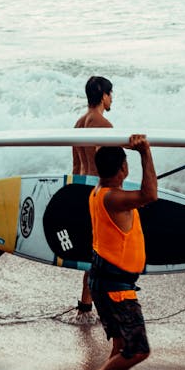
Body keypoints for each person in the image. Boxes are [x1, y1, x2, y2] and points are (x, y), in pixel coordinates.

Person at [69, 135, 157, 370]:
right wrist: (145, 152)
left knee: (120, 347)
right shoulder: (113, 197)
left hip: (106, 282)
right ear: (123, 168)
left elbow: (140, 197)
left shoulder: (100, 192)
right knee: (138, 349)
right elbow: (150, 195)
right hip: (114, 288)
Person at [72, 75, 113, 314]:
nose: (111, 98)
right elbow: (113, 166)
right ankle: (105, 304)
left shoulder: (78, 124)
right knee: (102, 251)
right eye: (110, 93)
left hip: (83, 192)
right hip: (101, 193)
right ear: (103, 95)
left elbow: (76, 167)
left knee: (92, 252)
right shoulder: (104, 125)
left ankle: (85, 305)